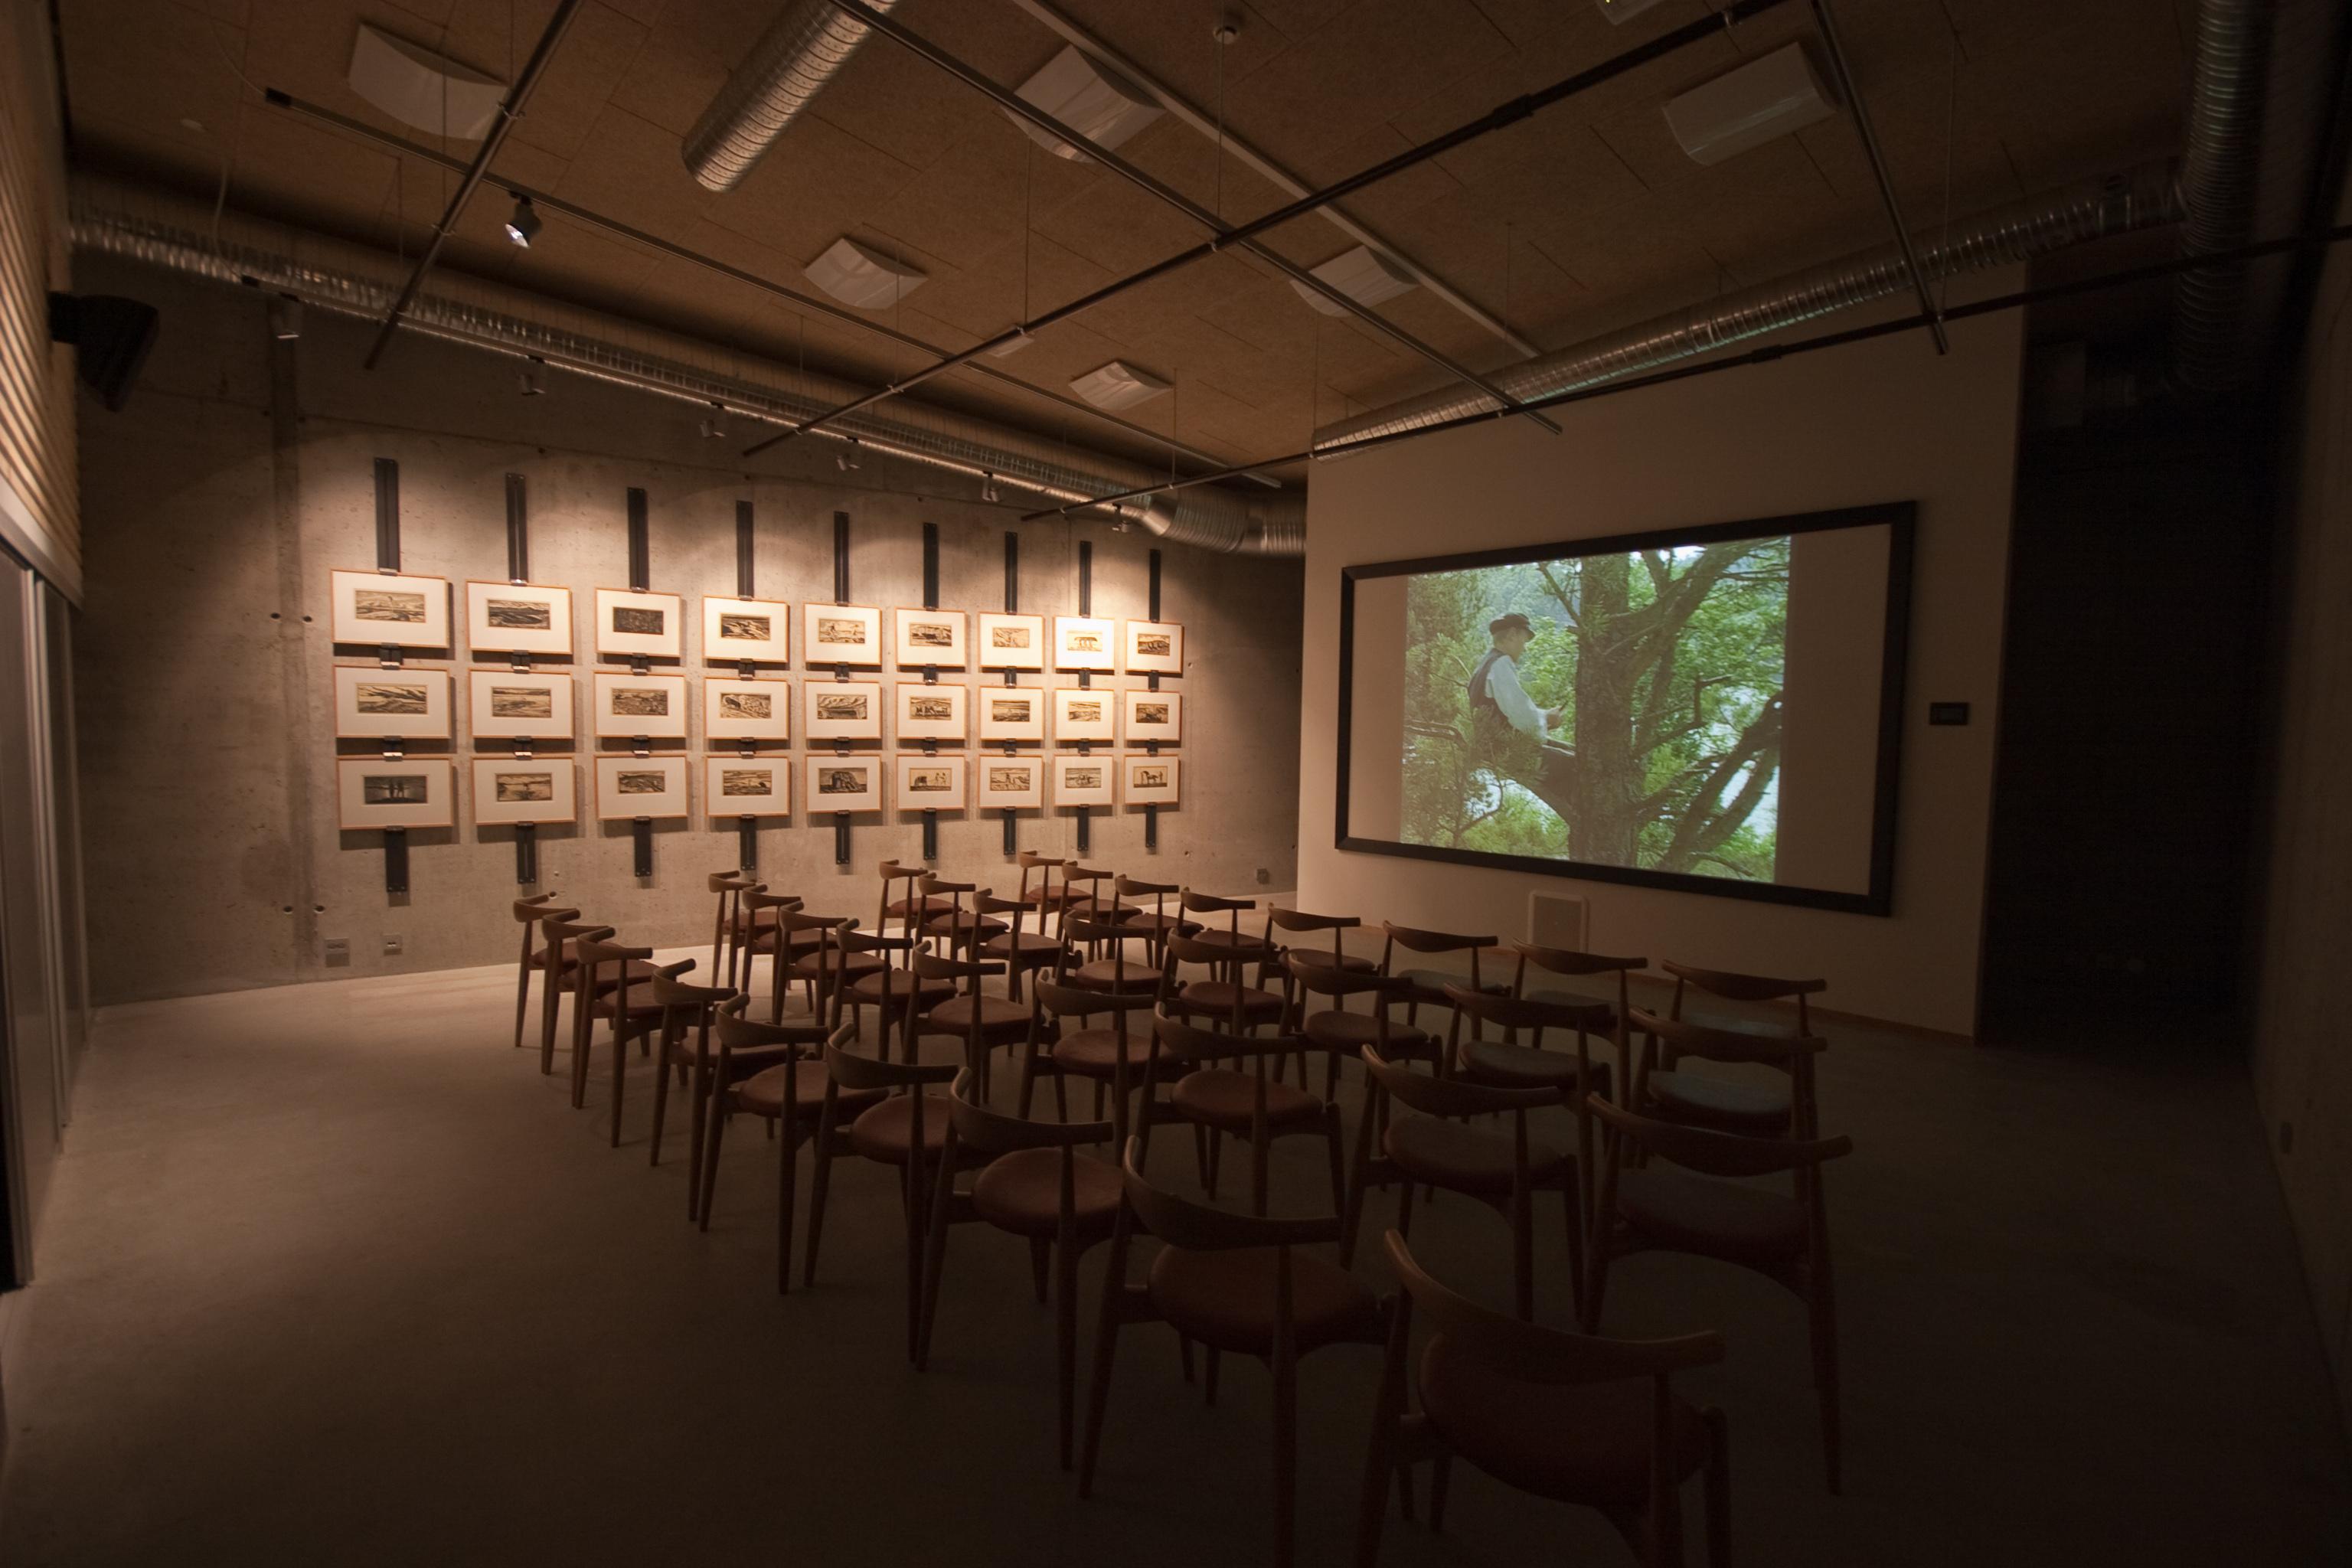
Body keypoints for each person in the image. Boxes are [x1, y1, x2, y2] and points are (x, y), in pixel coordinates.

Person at [1465, 612, 1574, 784]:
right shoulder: (1501, 665)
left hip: (1493, 751)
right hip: (1507, 755)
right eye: (1523, 641)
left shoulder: (1485, 665)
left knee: (1571, 751)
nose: (1525, 648)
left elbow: (1509, 708)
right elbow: (1522, 716)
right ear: (1512, 635)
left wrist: (1544, 715)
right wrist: (1547, 719)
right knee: (1580, 765)